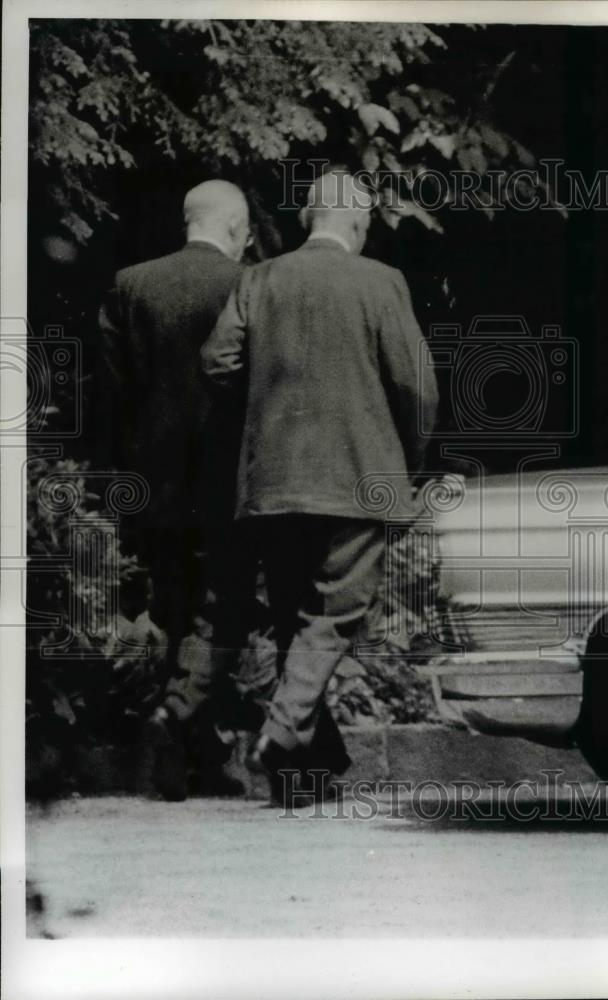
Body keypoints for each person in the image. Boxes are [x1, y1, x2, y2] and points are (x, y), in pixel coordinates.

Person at [200, 170, 439, 805]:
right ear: (357, 223)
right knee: (334, 615)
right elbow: (418, 387)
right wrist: (403, 463)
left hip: (272, 484)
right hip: (359, 479)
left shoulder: (259, 277)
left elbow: (217, 362)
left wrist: (260, 417)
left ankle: (303, 773)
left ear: (310, 220)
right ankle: (281, 734)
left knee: (294, 620)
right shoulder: (381, 282)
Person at [99, 179, 255, 800]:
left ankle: (175, 755)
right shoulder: (248, 284)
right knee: (225, 609)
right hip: (227, 480)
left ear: (187, 221)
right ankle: (196, 736)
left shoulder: (131, 285)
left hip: (154, 481)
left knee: (170, 606)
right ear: (236, 227)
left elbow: (114, 394)